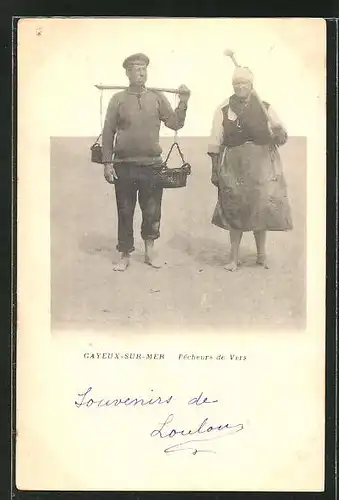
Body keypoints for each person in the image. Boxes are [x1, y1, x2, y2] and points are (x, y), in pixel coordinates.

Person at [102, 53, 191, 271]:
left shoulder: (157, 98)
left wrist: (183, 102)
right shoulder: (118, 100)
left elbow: (175, 123)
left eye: (143, 69)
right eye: (136, 69)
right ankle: (124, 254)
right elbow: (108, 132)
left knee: (152, 210)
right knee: (125, 210)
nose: (141, 73)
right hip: (124, 165)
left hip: (152, 165)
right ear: (127, 73)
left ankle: (150, 251)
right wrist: (107, 162)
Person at [207, 66, 293, 271]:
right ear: (232, 85)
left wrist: (280, 133)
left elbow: (280, 137)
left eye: (244, 83)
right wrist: (214, 169)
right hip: (233, 165)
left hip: (262, 164)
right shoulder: (223, 108)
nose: (240, 87)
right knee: (234, 208)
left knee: (260, 208)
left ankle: (261, 255)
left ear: (251, 86)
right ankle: (233, 258)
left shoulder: (265, 107)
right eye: (236, 83)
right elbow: (215, 140)